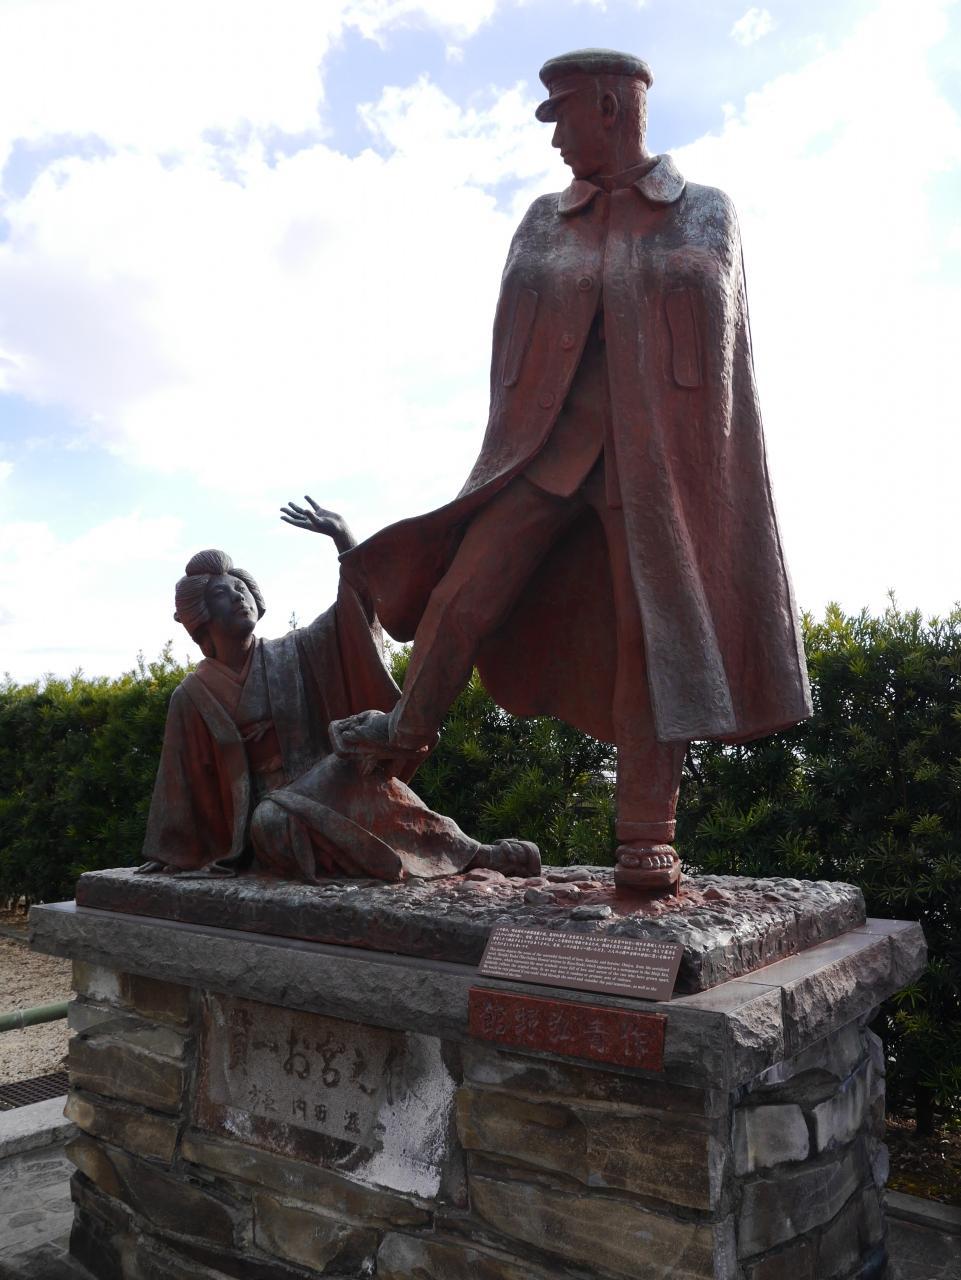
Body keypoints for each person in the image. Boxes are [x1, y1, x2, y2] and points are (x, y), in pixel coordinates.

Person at [338, 49, 812, 892]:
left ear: (609, 107)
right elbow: (515, 329)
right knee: (462, 593)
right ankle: (403, 735)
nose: (554, 139)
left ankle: (646, 835)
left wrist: (626, 268)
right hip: (545, 448)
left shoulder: (705, 209)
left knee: (649, 638)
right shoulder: (542, 218)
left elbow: (714, 329)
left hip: (651, 463)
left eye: (562, 116)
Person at [139, 497, 539, 882]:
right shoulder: (192, 696)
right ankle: (394, 865)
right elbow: (181, 783)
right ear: (200, 616)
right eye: (221, 594)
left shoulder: (294, 650)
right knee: (272, 822)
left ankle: (470, 853)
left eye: (240, 588)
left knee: (352, 760)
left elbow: (351, 617)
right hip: (262, 817)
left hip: (324, 780)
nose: (237, 596)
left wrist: (344, 541)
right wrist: (171, 853)